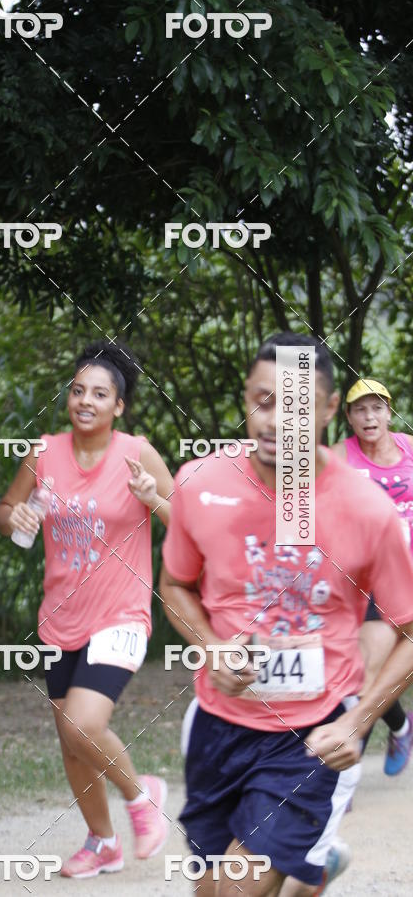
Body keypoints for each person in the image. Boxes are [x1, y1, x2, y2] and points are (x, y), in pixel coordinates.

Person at [160, 332, 413, 897]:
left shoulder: (367, 509)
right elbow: (174, 585)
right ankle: (312, 873)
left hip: (310, 732)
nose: (275, 420)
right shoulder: (199, 485)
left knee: (238, 889)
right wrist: (210, 644)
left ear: (328, 409)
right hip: (217, 725)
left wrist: (357, 719)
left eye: (296, 405)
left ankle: (307, 866)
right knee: (215, 889)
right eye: (263, 400)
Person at [0, 339, 175, 878]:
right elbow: (5, 510)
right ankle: (102, 842)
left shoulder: (137, 454)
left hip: (122, 616)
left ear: (118, 406)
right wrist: (16, 520)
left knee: (83, 723)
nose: (86, 400)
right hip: (61, 619)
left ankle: (143, 796)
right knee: (72, 745)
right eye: (78, 391)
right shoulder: (44, 452)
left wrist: (152, 498)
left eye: (100, 393)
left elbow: (185, 522)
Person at [332, 378, 413, 775]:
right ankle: (398, 726)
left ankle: (341, 776)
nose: (370, 417)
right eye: (360, 409)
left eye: (377, 407)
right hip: (363, 585)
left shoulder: (410, 450)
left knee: (376, 670)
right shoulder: (339, 457)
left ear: (388, 411)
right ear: (348, 417)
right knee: (366, 671)